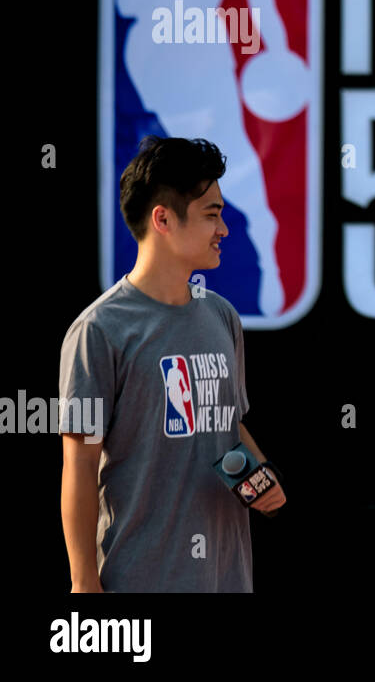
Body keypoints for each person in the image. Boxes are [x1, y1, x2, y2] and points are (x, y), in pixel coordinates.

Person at [60, 135, 286, 593]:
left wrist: (264, 476)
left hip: (228, 578)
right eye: (211, 214)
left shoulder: (222, 315)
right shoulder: (98, 330)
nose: (224, 229)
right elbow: (79, 464)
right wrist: (84, 585)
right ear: (162, 218)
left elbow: (226, 421)